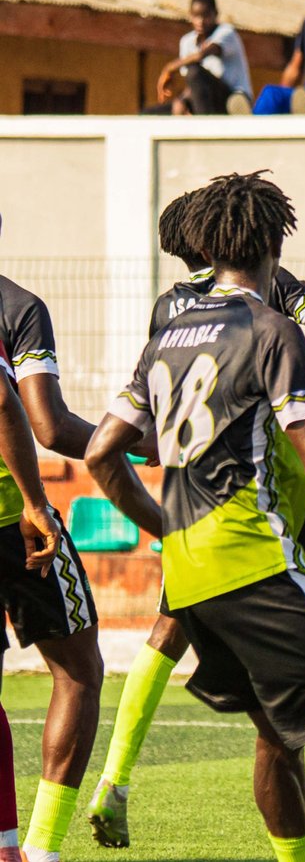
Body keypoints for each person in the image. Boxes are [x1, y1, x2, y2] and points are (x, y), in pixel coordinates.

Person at [85, 172, 305, 862]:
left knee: (276, 733)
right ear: (275, 242)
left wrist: (166, 527)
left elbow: (101, 452)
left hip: (190, 571)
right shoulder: (273, 329)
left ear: (207, 248)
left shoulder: (166, 336)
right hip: (257, 558)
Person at [0, 245, 104, 862]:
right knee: (78, 670)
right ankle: (38, 849)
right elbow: (47, 424)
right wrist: (136, 443)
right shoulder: (18, 306)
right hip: (14, 521)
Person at [153, 0, 252, 115]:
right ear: (190, 15)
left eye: (206, 16)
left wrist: (169, 68)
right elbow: (194, 85)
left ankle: (206, 123)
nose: (201, 21)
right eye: (196, 16)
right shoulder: (187, 41)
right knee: (149, 114)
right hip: (204, 100)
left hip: (230, 96)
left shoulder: (226, 33)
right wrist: (183, 100)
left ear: (215, 14)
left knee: (195, 72)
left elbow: (201, 56)